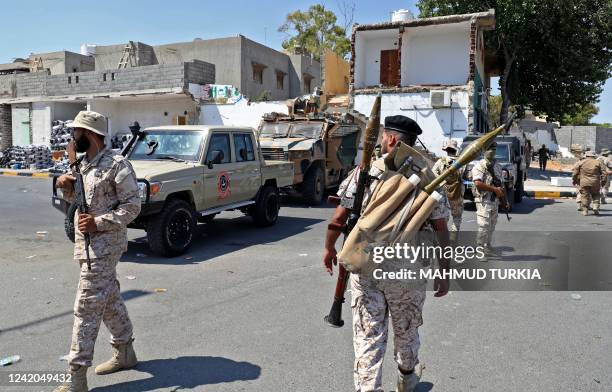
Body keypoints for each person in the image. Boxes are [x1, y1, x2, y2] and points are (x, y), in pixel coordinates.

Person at [323, 115, 450, 392]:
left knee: (369, 336)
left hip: (366, 265)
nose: (381, 141)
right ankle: (406, 377)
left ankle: (369, 388)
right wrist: (445, 271)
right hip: (408, 271)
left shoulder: (365, 172)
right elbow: (441, 229)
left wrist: (329, 248)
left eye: (383, 136)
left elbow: (338, 218)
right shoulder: (430, 177)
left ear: (391, 139)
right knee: (406, 330)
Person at [54, 111, 141, 392]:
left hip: (105, 247)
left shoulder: (117, 165)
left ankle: (76, 376)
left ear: (89, 134)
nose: (71, 138)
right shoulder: (83, 164)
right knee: (109, 300)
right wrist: (65, 186)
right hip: (87, 246)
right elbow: (82, 202)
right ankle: (125, 351)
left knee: (86, 307)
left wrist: (98, 222)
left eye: (75, 133)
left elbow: (132, 206)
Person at [472, 143, 506, 258]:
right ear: (484, 151)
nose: (492, 151)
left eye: (494, 148)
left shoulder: (498, 166)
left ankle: (487, 246)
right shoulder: (479, 166)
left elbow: (501, 185)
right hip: (483, 199)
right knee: (484, 225)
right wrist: (494, 189)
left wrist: (505, 200)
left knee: (492, 225)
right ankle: (480, 249)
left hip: (494, 200)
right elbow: (478, 184)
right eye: (489, 148)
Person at [433, 139, 464, 239]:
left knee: (443, 219)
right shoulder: (462, 162)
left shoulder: (440, 162)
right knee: (456, 218)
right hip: (457, 194)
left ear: (446, 150)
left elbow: (433, 175)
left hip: (443, 193)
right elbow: (467, 177)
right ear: (455, 150)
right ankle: (453, 241)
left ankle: (442, 240)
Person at [573, 150, 608, 216]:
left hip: (584, 182)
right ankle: (595, 206)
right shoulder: (598, 162)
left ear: (586, 156)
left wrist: (574, 181)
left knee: (584, 196)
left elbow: (575, 173)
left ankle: (585, 210)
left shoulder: (581, 162)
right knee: (596, 194)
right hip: (595, 182)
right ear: (594, 156)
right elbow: (604, 174)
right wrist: (603, 182)